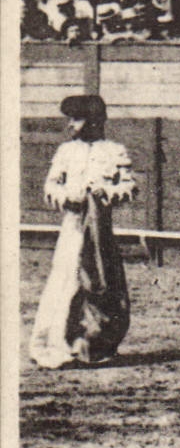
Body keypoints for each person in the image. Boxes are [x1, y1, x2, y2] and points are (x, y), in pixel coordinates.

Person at [29, 94, 137, 368]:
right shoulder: (66, 151)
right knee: (67, 284)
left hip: (101, 230)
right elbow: (50, 187)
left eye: (75, 119)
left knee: (103, 284)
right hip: (73, 228)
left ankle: (95, 346)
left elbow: (129, 187)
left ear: (93, 121)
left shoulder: (114, 150)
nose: (70, 125)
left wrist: (107, 193)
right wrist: (66, 197)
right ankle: (58, 345)